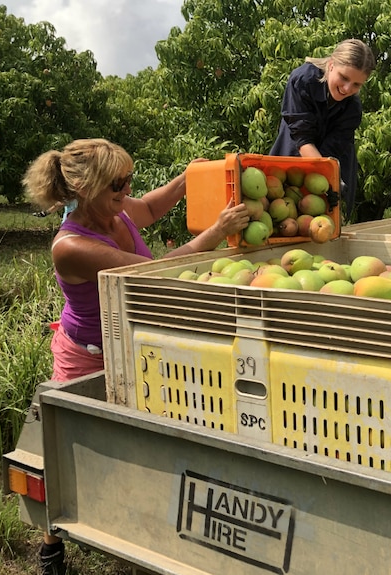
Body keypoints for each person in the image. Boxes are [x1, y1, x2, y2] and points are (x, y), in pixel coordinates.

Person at [23, 138, 249, 575]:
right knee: (66, 452)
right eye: (118, 184)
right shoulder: (71, 245)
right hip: (87, 356)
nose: (127, 191)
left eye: (128, 181)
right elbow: (149, 277)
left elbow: (148, 207)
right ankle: (52, 543)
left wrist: (187, 180)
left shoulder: (116, 210)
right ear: (87, 189)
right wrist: (216, 233)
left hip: (132, 346)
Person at [269, 38, 376, 222]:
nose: (347, 88)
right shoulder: (303, 80)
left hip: (328, 169)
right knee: (285, 220)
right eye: (344, 78)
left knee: (326, 227)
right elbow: (302, 138)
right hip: (293, 158)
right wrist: (327, 178)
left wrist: (333, 183)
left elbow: (333, 151)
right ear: (332, 65)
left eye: (357, 84)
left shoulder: (352, 108)